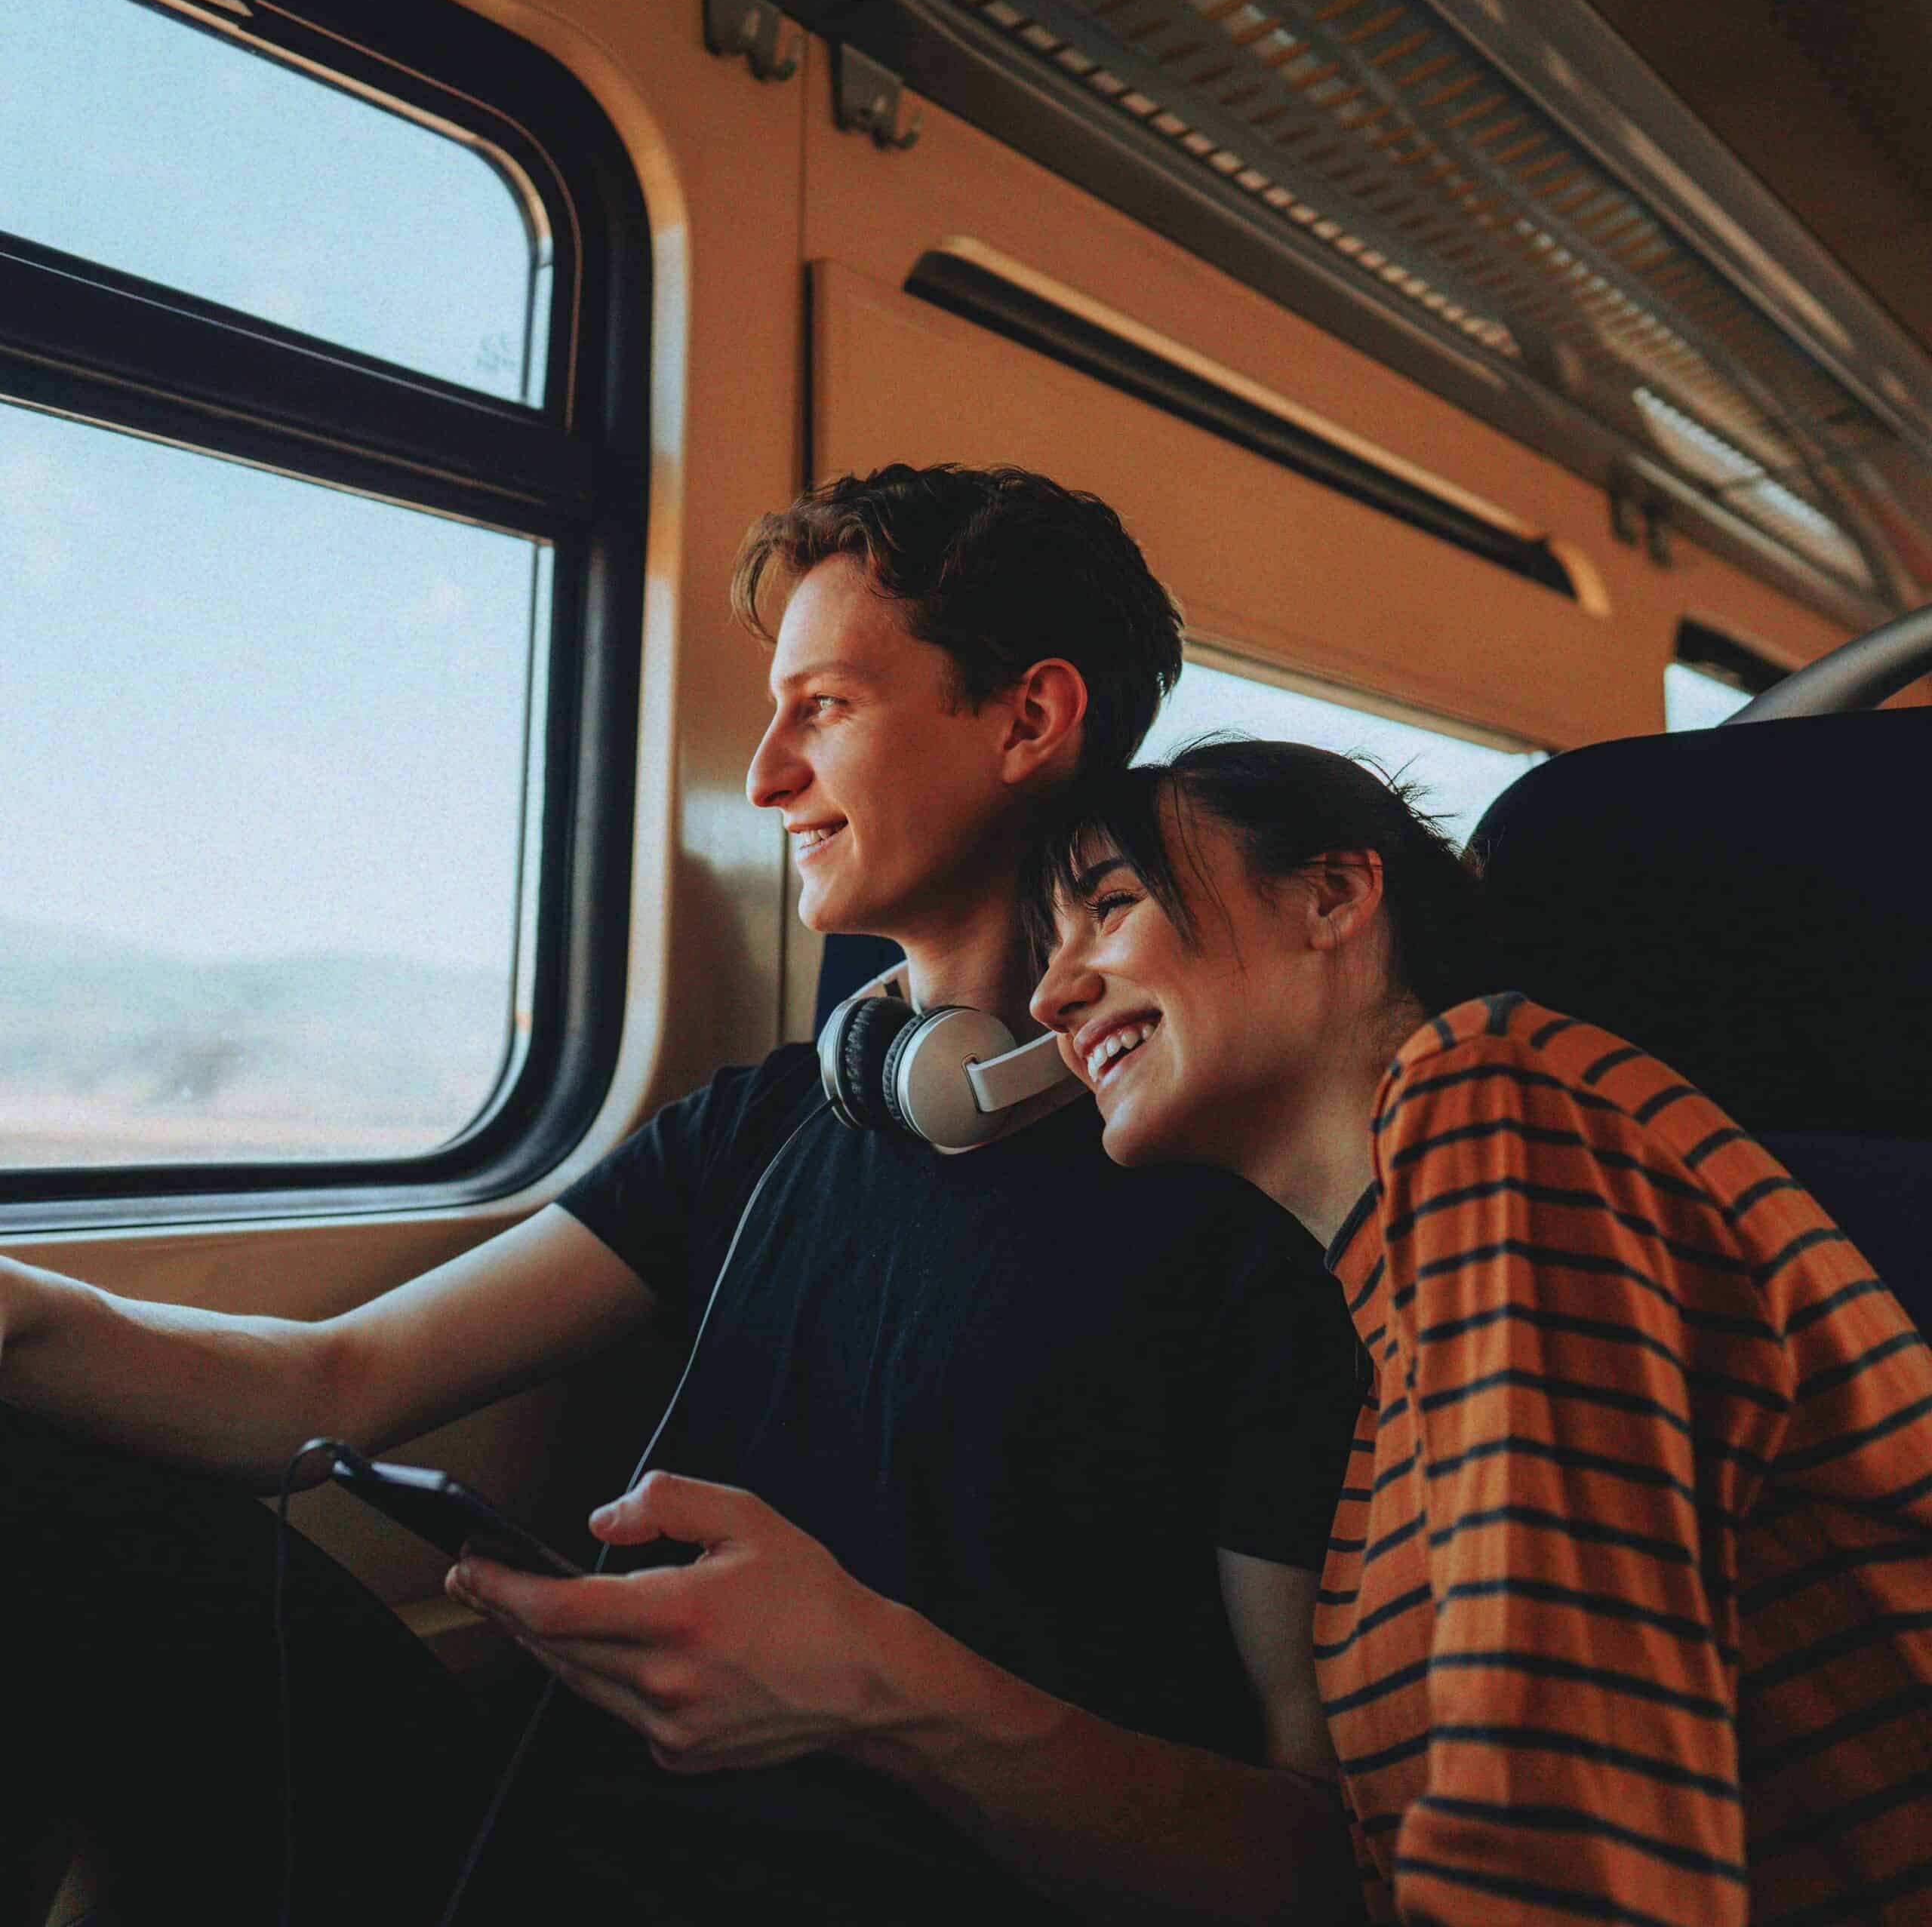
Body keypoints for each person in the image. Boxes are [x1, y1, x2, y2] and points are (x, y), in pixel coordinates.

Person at [0, 468, 1364, 1926]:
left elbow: (1314, 1867)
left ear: (1029, 719)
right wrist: (22, 1315)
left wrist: (883, 1692)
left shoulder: (1231, 1197)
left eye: (825, 708)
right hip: (550, 1848)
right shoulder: (772, 1122)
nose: (769, 774)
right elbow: (327, 1381)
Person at [1025, 737, 1932, 1926]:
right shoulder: (1380, 1410)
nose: (1050, 994)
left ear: (1336, 896)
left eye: (1110, 906)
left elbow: (1566, 1795)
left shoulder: (1491, 1096)